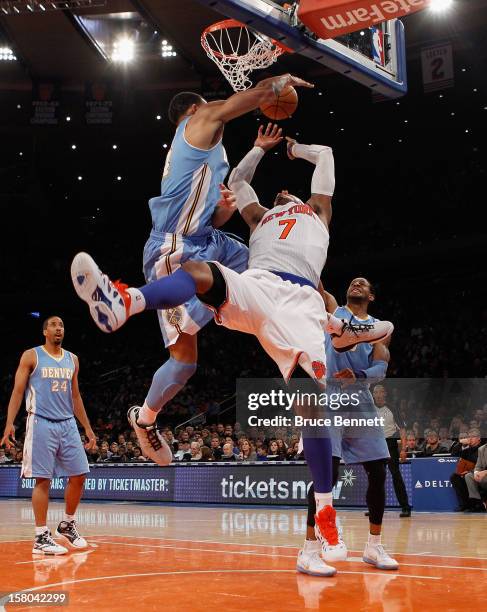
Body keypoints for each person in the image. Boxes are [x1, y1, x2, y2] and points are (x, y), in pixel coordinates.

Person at [71, 126, 393, 577]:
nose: (277, 201)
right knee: (202, 271)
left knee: (312, 408)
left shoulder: (316, 211)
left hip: (301, 304)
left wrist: (297, 149)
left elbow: (328, 156)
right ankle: (126, 301)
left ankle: (325, 512)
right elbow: (239, 181)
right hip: (258, 287)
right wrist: (259, 150)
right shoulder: (260, 217)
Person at [72, 73, 314, 459]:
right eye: (209, 105)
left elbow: (213, 219)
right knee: (184, 363)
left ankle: (307, 403)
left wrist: (224, 209)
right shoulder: (197, 124)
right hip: (174, 247)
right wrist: (275, 83)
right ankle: (145, 417)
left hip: (207, 240)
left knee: (273, 275)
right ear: (195, 108)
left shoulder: (208, 152)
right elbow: (238, 103)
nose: (214, 110)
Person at [299, 278, 399, 575]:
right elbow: (315, 285)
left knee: (379, 471)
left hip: (361, 401)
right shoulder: (335, 310)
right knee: (325, 473)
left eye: (364, 283)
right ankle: (309, 551)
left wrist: (359, 374)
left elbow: (382, 365)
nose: (357, 283)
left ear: (372, 295)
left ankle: (374, 546)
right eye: (354, 282)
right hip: (329, 398)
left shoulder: (379, 327)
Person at [0, 316, 95, 555]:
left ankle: (67, 524)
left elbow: (75, 397)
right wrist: (10, 422)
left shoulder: (72, 359)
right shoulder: (31, 356)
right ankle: (41, 536)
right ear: (45, 331)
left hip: (67, 423)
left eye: (62, 325)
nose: (58, 328)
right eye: (53, 325)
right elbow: (18, 390)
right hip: (41, 421)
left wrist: (87, 427)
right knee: (43, 479)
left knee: (80, 475)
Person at [372, 384, 411, 517]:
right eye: (375, 392)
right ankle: (375, 507)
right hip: (375, 444)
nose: (377, 394)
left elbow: (402, 430)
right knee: (375, 477)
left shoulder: (393, 408)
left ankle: (405, 507)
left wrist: (403, 449)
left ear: (385, 393)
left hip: (390, 444)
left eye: (380, 392)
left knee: (395, 475)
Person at [451, 430, 484, 512]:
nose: (470, 439)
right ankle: (465, 504)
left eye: (472, 437)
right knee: (455, 477)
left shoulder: (483, 449)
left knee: (467, 476)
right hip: (467, 473)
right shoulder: (466, 450)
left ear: (479, 438)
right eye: (469, 437)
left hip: (479, 473)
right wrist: (461, 444)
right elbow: (455, 455)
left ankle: (476, 504)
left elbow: (482, 466)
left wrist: (470, 471)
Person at [464, 441, 487, 511]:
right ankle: (477, 503)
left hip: (485, 474)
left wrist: (485, 472)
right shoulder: (482, 449)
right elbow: (478, 465)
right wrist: (476, 473)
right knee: (469, 476)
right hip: (484, 477)